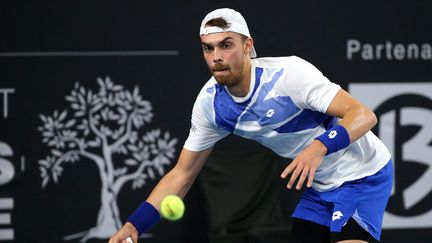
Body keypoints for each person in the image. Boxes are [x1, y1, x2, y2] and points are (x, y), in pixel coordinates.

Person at [109, 8, 393, 243]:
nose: (216, 57)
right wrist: (135, 225)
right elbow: (182, 174)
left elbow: (363, 115)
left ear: (248, 46)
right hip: (321, 187)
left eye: (226, 45)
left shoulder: (288, 75)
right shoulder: (211, 105)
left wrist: (319, 147)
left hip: (364, 173)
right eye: (208, 48)